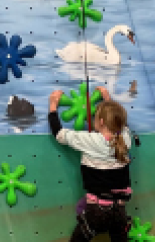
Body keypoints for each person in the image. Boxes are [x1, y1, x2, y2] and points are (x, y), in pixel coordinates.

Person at [49, 87, 133, 242]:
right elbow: (120, 124)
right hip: (119, 211)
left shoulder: (90, 140)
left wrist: (53, 106)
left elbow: (59, 135)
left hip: (97, 211)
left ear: (101, 122)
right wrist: (107, 99)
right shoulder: (125, 138)